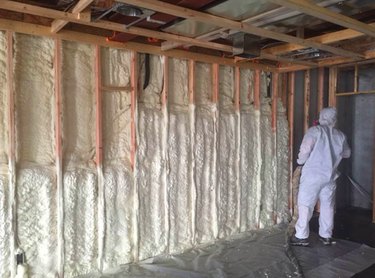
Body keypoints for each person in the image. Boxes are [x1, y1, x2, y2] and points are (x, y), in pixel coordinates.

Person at [290, 107, 351, 246]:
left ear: (321, 117)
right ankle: (326, 235)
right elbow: (347, 153)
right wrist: (334, 153)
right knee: (327, 206)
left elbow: (305, 150)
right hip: (330, 177)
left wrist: (300, 162)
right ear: (334, 120)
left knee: (305, 204)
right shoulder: (340, 135)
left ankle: (301, 236)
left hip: (312, 175)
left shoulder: (314, 131)